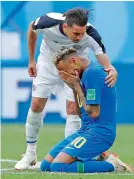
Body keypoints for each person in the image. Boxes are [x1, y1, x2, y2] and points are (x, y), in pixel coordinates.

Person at [15, 7, 118, 170]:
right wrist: (31, 60)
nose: (80, 37)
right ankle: (30, 154)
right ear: (65, 27)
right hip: (49, 63)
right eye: (76, 33)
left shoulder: (91, 36)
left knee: (72, 109)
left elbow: (105, 62)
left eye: (82, 33)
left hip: (75, 69)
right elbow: (31, 29)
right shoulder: (47, 22)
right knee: (36, 105)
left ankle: (71, 154)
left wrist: (111, 69)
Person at [40, 47, 132, 173]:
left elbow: (94, 113)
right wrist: (74, 88)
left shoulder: (92, 73)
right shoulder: (84, 76)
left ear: (73, 61)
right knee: (45, 166)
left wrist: (77, 86)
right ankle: (95, 158)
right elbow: (81, 114)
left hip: (100, 133)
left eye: (65, 70)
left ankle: (112, 165)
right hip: (85, 131)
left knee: (58, 167)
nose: (66, 74)